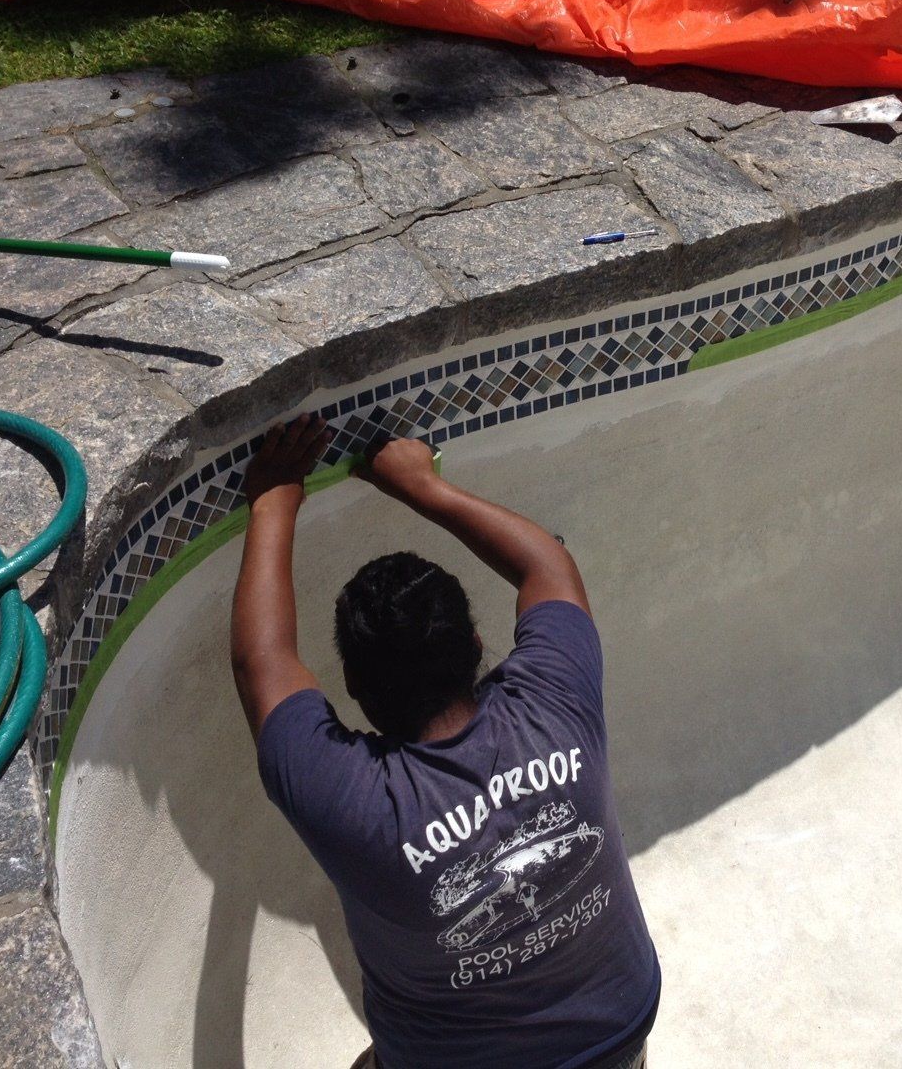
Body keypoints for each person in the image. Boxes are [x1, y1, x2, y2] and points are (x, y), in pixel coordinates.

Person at [230, 414, 661, 1069]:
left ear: (351, 684)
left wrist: (272, 497)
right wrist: (422, 485)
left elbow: (262, 662)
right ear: (477, 649)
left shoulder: (346, 796)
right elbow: (548, 563)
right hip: (617, 1030)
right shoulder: (555, 701)